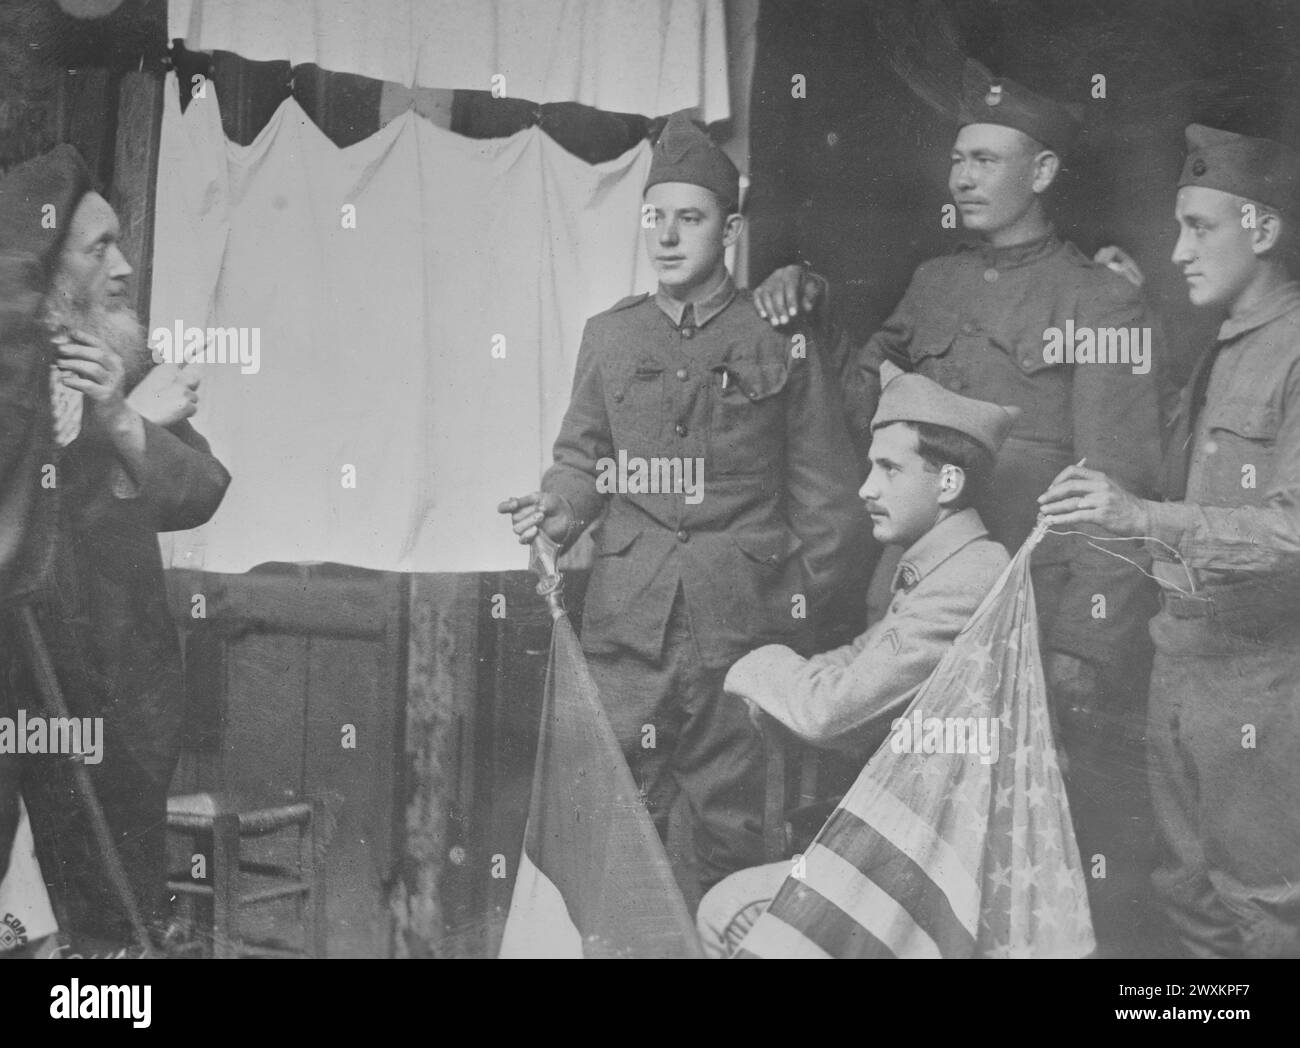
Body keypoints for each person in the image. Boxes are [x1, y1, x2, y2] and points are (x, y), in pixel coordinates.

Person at [749, 60, 1166, 950]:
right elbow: (866, 412)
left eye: (984, 159)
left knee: (1023, 875)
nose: (962, 177)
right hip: (918, 622)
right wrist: (810, 310)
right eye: (957, 160)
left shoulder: (1101, 299)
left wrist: (1084, 650)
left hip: (1034, 636)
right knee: (909, 869)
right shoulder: (934, 284)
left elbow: (1121, 494)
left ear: (1043, 173)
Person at [499, 112, 863, 905]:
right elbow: (580, 460)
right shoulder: (610, 336)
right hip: (629, 628)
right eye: (654, 217)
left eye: (689, 219)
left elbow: (830, 504)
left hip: (742, 633)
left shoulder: (778, 340)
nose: (666, 236)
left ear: (730, 231)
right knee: (610, 828)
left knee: (730, 838)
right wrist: (558, 511)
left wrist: (788, 613)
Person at [1040, 123, 1300, 958]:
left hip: (1263, 686)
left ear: (1262, 230)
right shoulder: (1220, 346)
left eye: (1200, 227)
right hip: (1184, 667)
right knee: (1188, 900)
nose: (1179, 248)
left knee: (1263, 908)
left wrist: (1140, 518)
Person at [696, 364, 1016, 956]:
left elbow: (831, 710)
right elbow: (857, 662)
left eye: (888, 469)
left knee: (732, 914)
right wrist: (806, 682)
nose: (866, 488)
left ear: (947, 483)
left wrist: (760, 664)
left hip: (946, 861)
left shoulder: (970, 576)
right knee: (727, 906)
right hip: (918, 835)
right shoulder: (940, 563)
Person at [0, 144, 231, 951]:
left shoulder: (126, 364)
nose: (126, 267)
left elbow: (202, 488)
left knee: (114, 923)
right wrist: (102, 436)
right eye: (100, 248)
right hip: (15, 683)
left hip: (118, 687)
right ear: (47, 268)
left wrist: (125, 418)